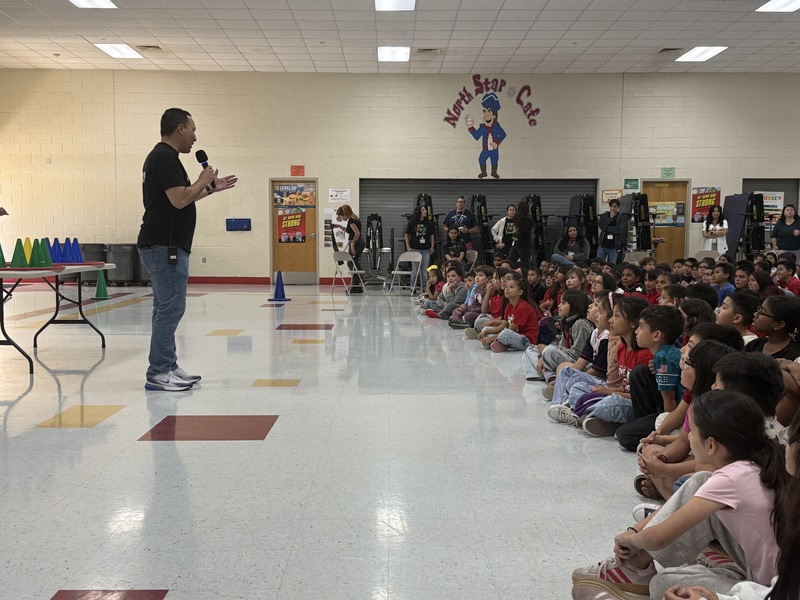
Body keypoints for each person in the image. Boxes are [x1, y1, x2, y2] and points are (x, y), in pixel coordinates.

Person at [571, 390, 787, 600]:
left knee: (662, 585)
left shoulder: (731, 479)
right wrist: (637, 531)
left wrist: (631, 539)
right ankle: (637, 569)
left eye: (692, 431)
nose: (688, 436)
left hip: (772, 589)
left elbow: (657, 538)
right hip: (771, 572)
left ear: (711, 444)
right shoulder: (754, 464)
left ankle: (639, 571)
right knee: (701, 480)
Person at [138, 108, 237, 392]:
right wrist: (202, 182)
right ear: (180, 128)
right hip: (164, 246)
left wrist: (209, 189)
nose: (195, 137)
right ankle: (158, 371)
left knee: (165, 309)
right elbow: (180, 200)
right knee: (171, 309)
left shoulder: (164, 157)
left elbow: (180, 197)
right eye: (193, 129)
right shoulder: (165, 158)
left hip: (165, 245)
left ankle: (167, 365)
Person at [663, 411, 799, 600]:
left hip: (771, 584)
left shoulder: (737, 474)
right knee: (700, 484)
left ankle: (636, 567)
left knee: (662, 583)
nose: (786, 442)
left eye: (792, 437)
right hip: (767, 577)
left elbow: (783, 592)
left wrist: (635, 538)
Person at [478, 273, 539, 352]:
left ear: (520, 292)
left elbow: (511, 330)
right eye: (506, 287)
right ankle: (500, 344)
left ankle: (498, 343)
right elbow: (503, 325)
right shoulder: (509, 306)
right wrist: (486, 331)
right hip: (513, 335)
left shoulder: (522, 307)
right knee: (487, 328)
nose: (506, 289)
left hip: (526, 340)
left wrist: (491, 338)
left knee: (505, 334)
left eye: (511, 287)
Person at [746, 295, 800, 361]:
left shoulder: (793, 357)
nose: (755, 314)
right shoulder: (755, 344)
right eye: (759, 309)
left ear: (779, 325)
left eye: (762, 312)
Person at [335, 204, 365, 294]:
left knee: (352, 263)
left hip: (357, 243)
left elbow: (357, 233)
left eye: (341, 216)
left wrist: (352, 244)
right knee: (353, 263)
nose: (341, 218)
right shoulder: (354, 218)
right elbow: (351, 231)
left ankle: (357, 285)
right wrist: (339, 226)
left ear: (345, 214)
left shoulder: (351, 220)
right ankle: (358, 283)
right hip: (359, 243)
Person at [404, 205, 435, 291]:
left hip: (426, 249)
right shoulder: (412, 222)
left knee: (424, 270)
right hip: (415, 249)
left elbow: (431, 235)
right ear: (419, 212)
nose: (425, 211)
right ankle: (412, 287)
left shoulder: (429, 223)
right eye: (423, 210)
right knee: (415, 269)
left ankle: (425, 287)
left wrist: (432, 246)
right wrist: (408, 247)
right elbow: (406, 235)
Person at [508, 200, 534, 274]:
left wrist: (514, 235)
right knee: (509, 262)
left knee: (525, 266)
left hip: (524, 246)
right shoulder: (517, 219)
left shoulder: (527, 221)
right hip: (516, 244)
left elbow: (521, 233)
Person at [597, 198, 626, 265]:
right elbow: (601, 226)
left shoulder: (621, 217)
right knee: (599, 264)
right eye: (611, 206)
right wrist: (610, 218)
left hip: (614, 245)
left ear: (618, 207)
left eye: (615, 206)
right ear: (609, 207)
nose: (613, 208)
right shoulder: (604, 216)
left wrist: (606, 228)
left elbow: (620, 229)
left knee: (612, 265)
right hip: (602, 244)